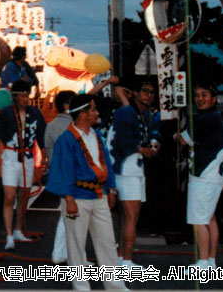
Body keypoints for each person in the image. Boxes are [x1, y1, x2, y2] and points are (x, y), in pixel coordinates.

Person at [47, 94, 125, 290]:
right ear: (82, 114)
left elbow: (106, 162)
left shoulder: (96, 135)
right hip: (76, 197)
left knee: (107, 242)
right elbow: (63, 169)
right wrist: (69, 199)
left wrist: (111, 189)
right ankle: (81, 287)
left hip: (99, 195)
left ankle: (115, 285)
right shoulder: (67, 139)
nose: (97, 113)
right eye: (93, 109)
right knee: (76, 245)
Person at [106, 80, 159, 268]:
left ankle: (122, 257)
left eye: (152, 92)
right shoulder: (127, 112)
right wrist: (142, 150)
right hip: (126, 170)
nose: (148, 95)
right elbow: (120, 141)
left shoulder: (141, 114)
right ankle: (127, 261)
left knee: (126, 217)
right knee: (131, 217)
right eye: (145, 91)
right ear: (134, 93)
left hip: (130, 168)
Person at [175, 83, 223, 269]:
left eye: (204, 94)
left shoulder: (205, 118)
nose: (200, 99)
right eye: (197, 95)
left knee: (198, 220)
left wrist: (175, 135)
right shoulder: (215, 117)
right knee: (209, 218)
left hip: (205, 173)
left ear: (214, 99)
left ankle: (204, 263)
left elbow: (182, 139)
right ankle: (210, 260)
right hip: (213, 174)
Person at [0, 79, 47, 250]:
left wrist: (44, 156)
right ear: (15, 97)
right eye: (22, 96)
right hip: (10, 156)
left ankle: (18, 230)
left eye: (27, 95)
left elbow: (41, 135)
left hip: (28, 157)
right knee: (9, 196)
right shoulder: (6, 113)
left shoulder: (35, 113)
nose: (25, 99)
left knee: (23, 197)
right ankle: (9, 235)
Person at [43, 90, 76, 263]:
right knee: (74, 216)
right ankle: (65, 253)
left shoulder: (51, 125)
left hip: (59, 175)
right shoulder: (76, 125)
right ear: (67, 105)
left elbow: (48, 153)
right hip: (75, 176)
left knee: (69, 215)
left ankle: (61, 252)